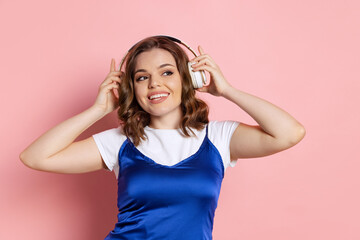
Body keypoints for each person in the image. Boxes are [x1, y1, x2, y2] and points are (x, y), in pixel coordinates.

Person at [20, 36, 306, 239]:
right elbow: (34, 157)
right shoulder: (119, 142)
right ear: (132, 89)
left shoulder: (218, 138)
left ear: (187, 79)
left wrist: (227, 90)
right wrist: (98, 110)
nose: (155, 83)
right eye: (142, 77)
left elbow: (290, 133)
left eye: (167, 72)